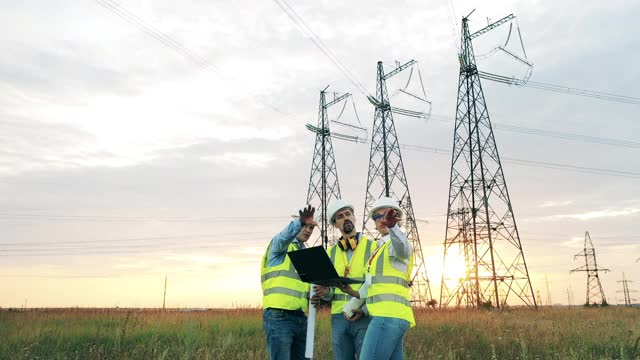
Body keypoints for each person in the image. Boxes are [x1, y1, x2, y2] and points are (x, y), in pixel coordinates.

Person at [339, 197, 415, 360]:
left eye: (387, 215)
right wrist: (355, 295)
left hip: (387, 317)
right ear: (373, 222)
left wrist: (393, 227)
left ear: (397, 218)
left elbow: (401, 249)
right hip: (392, 317)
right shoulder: (378, 250)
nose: (382, 219)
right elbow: (372, 285)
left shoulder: (398, 243)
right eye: (377, 216)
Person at [311, 199, 377, 360]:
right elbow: (329, 292)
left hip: (364, 315)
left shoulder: (373, 247)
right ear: (335, 224)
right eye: (340, 216)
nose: (345, 218)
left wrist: (365, 310)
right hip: (338, 317)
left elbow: (378, 285)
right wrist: (325, 292)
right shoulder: (330, 253)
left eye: (348, 214)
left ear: (354, 218)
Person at [261, 205, 318, 360]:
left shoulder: (307, 254)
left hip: (301, 317)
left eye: (311, 228)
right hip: (278, 317)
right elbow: (284, 237)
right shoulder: (278, 248)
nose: (308, 230)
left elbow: (312, 288)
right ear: (296, 223)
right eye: (305, 226)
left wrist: (318, 294)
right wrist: (299, 222)